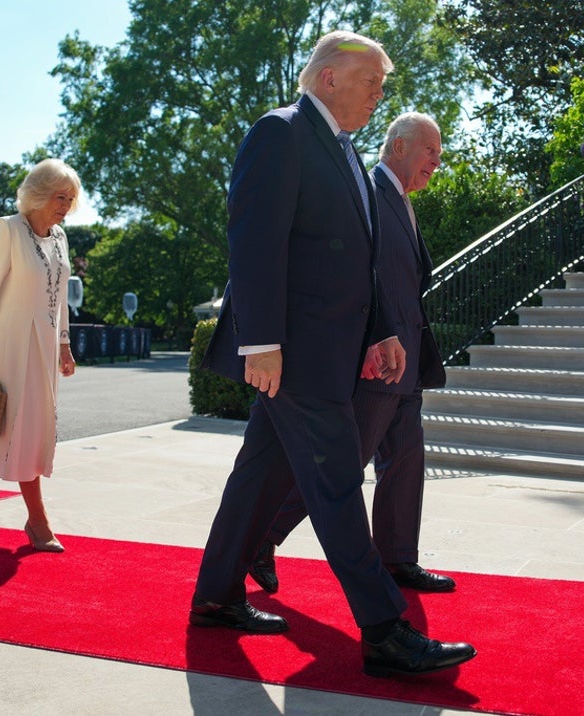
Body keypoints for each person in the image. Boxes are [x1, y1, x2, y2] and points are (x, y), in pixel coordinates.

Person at [190, 32, 475, 677]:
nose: (380, 93)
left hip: (325, 351)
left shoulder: (344, 150)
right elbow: (254, 242)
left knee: (260, 474)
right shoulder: (280, 133)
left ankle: (215, 595)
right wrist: (260, 342)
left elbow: (361, 259)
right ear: (328, 80)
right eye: (372, 80)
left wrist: (378, 332)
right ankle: (383, 630)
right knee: (340, 482)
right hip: (292, 352)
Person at [249, 113, 454, 596]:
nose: (436, 162)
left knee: (405, 461)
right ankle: (258, 539)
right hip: (376, 363)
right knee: (339, 469)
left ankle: (399, 558)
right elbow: (359, 276)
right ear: (400, 147)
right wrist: (370, 340)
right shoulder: (369, 192)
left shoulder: (401, 200)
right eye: (431, 151)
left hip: (407, 363)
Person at [0, 159, 79, 553]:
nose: (65, 205)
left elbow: (60, 298)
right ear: (39, 194)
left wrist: (64, 345)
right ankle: (38, 522)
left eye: (71, 199)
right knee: (14, 428)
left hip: (43, 347)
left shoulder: (60, 237)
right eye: (60, 196)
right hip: (7, 346)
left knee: (26, 431)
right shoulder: (6, 228)